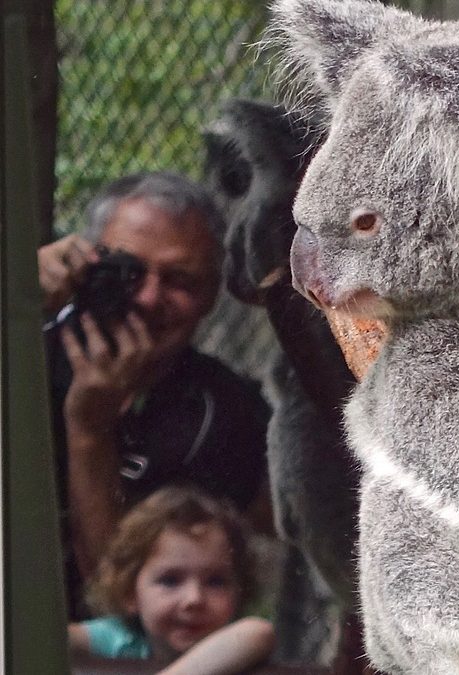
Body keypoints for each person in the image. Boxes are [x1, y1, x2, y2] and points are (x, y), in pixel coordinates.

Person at [40, 172, 271, 616]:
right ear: (85, 264)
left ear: (210, 295)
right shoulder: (26, 348)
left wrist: (90, 430)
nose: (148, 299)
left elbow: (128, 606)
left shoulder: (222, 414)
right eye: (126, 272)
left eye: (179, 281)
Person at [68, 486, 276, 673]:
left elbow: (258, 633)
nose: (194, 599)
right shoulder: (122, 640)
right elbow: (47, 638)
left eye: (215, 582)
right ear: (130, 591)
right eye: (170, 581)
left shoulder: (238, 637)